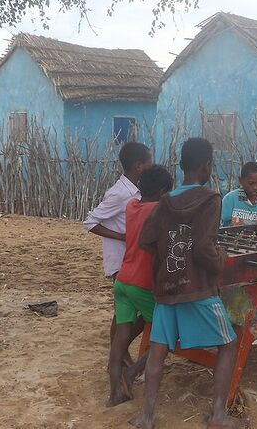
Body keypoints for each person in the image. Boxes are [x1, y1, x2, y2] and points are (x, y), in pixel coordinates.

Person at [131, 137, 245, 429]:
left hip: (167, 288)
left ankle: (147, 417)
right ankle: (218, 415)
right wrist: (220, 258)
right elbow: (204, 249)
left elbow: (146, 241)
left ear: (182, 165)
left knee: (157, 350)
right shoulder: (211, 200)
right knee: (230, 344)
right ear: (206, 165)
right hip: (198, 288)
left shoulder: (165, 201)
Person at [107, 165, 174, 407]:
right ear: (164, 191)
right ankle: (132, 371)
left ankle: (114, 393)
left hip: (123, 280)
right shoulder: (158, 210)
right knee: (167, 333)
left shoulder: (131, 206)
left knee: (121, 337)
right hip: (142, 283)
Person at [84, 142, 152, 367]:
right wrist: (123, 237)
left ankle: (119, 354)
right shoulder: (119, 193)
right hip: (121, 260)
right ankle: (119, 354)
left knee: (125, 313)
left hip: (132, 259)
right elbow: (90, 222)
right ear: (139, 166)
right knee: (127, 313)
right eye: (149, 161)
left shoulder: (136, 190)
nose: (152, 165)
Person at [221, 161, 257, 227]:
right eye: (251, 183)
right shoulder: (230, 199)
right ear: (241, 181)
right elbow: (220, 225)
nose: (255, 187)